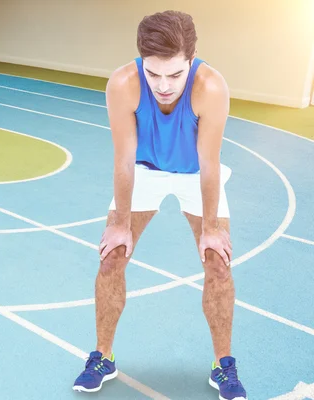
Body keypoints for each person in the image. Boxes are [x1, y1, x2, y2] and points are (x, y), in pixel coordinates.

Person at [72, 10, 247, 400]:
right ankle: (103, 356)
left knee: (218, 263)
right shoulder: (122, 84)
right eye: (153, 74)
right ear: (141, 63)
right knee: (111, 256)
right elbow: (123, 159)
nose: (163, 86)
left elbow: (208, 164)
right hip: (143, 169)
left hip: (194, 172)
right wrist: (118, 223)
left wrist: (211, 229)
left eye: (174, 74)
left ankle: (224, 365)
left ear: (191, 60)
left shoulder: (211, 87)